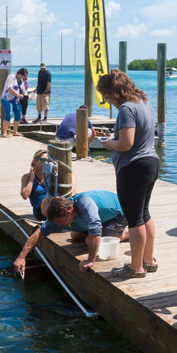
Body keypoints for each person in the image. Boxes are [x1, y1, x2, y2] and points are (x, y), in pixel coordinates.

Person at [97, 70, 159, 279]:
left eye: (107, 98)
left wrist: (108, 143)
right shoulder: (144, 101)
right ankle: (148, 261)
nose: (109, 103)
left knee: (134, 219)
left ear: (114, 92)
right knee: (145, 214)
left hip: (133, 167)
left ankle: (136, 267)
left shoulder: (126, 108)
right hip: (151, 163)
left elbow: (125, 144)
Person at [12, 191, 129, 276]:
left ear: (69, 212)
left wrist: (90, 260)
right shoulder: (63, 213)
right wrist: (21, 257)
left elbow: (95, 230)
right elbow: (39, 233)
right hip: (98, 218)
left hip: (121, 214)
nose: (58, 225)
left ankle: (125, 233)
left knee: (90, 240)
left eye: (60, 221)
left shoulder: (86, 204)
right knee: (75, 236)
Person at [20, 149, 78, 220]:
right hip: (41, 209)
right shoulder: (27, 177)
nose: (46, 162)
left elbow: (73, 181)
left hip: (58, 204)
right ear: (35, 162)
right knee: (51, 197)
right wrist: (32, 178)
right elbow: (25, 196)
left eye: (49, 160)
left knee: (70, 177)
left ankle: (77, 208)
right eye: (43, 160)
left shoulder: (52, 175)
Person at [1, 68, 27, 137]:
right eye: (23, 75)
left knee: (18, 115)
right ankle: (4, 132)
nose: (23, 77)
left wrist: (26, 95)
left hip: (16, 100)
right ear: (19, 73)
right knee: (8, 114)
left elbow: (23, 90)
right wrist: (18, 95)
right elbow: (10, 88)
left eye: (24, 76)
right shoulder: (12, 76)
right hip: (7, 99)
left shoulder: (21, 80)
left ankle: (15, 132)